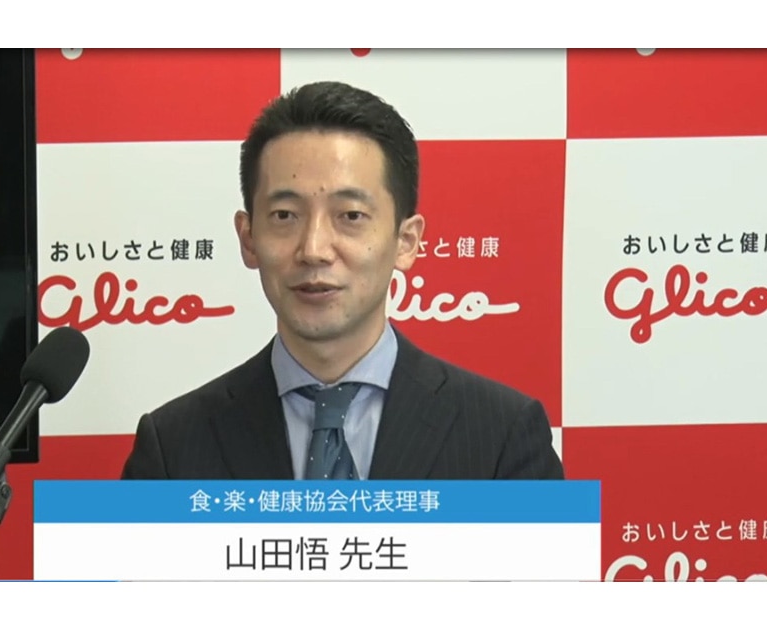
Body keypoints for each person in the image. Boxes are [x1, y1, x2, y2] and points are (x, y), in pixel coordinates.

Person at [121, 81, 564, 481]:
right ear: (248, 238)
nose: (314, 249)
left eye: (350, 215)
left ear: (406, 242)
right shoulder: (171, 448)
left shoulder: (504, 436)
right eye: (284, 216)